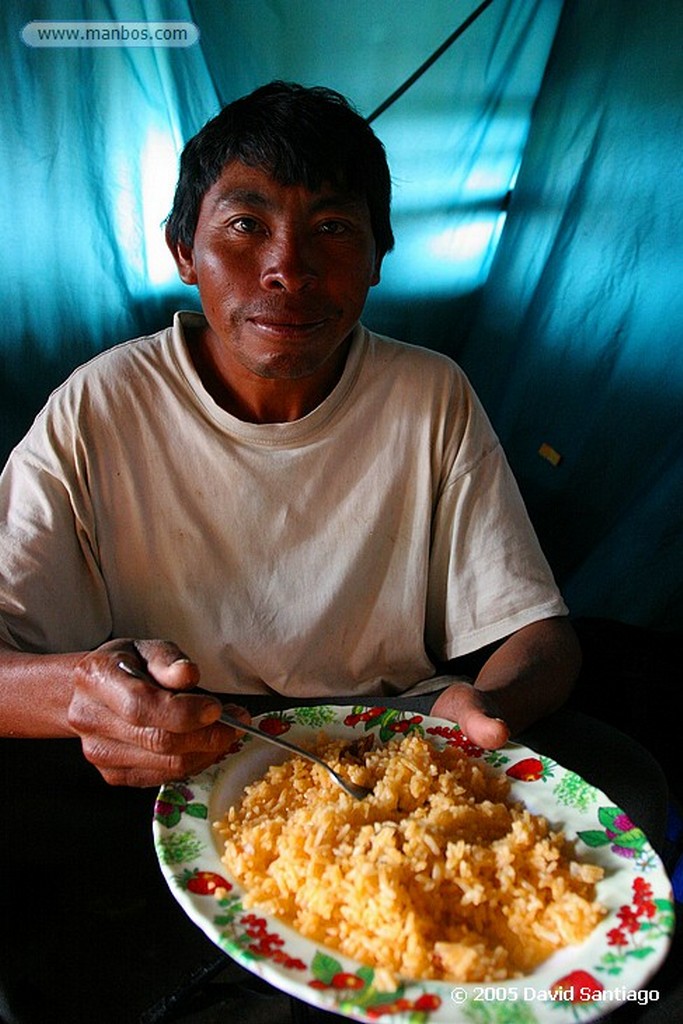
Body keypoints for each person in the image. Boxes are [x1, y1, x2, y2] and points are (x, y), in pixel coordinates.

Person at [0, 79, 673, 1024]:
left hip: (392, 742)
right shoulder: (99, 405)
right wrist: (87, 690)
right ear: (182, 249)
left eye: (331, 230)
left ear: (376, 258)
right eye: (243, 226)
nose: (287, 268)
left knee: (630, 781)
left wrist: (482, 710)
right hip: (177, 755)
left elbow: (539, 636)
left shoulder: (427, 396)